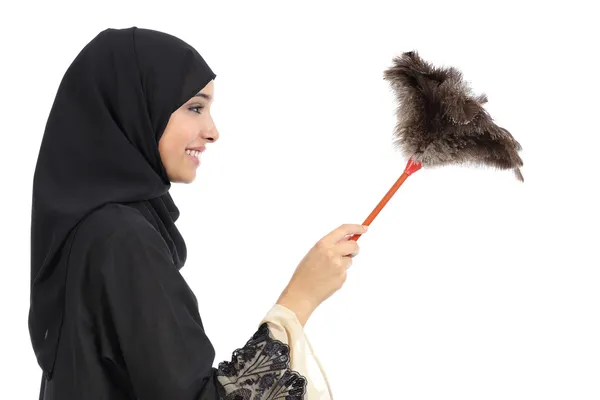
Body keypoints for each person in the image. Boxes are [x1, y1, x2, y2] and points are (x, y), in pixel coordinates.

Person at [28, 27, 368, 400]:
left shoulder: (88, 229)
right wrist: (300, 299)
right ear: (137, 107)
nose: (212, 131)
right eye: (194, 107)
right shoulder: (122, 237)